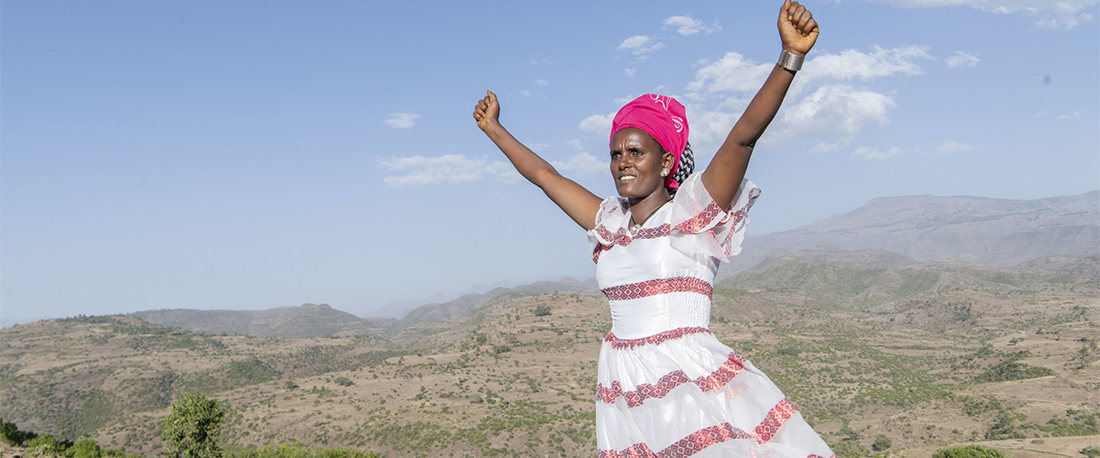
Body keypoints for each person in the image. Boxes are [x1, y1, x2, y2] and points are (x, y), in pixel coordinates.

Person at [473, 1, 834, 456]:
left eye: (635, 152)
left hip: (691, 384)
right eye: (616, 153)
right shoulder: (609, 222)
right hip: (625, 392)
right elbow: (548, 178)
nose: (622, 162)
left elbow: (742, 136)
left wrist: (789, 58)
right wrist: (495, 129)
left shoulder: (692, 214)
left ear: (665, 161)